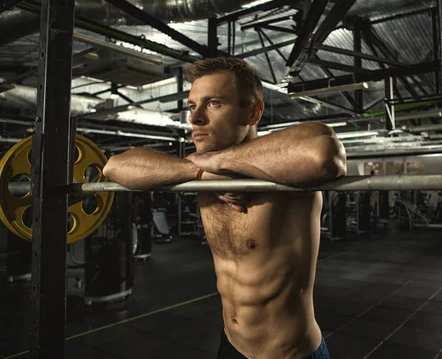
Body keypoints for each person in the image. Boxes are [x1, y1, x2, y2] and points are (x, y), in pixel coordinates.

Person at [102, 57, 347, 359]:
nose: (195, 118)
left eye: (214, 103)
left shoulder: (286, 170)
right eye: (192, 106)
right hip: (231, 345)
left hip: (289, 353)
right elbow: (115, 167)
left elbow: (324, 156)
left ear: (253, 111)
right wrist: (202, 173)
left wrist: (216, 162)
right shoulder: (196, 170)